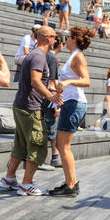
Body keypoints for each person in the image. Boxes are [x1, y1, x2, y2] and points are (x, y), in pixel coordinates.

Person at [0, 27, 63, 196]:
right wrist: (51, 97)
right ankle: (26, 184)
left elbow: (36, 81)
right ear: (48, 38)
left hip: (21, 106)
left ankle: (9, 178)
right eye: (55, 37)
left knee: (21, 145)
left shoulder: (34, 55)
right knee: (38, 144)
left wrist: (51, 90)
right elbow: (35, 81)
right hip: (30, 108)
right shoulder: (38, 56)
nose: (57, 40)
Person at [49, 26, 96, 197]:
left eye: (68, 37)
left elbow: (86, 80)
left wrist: (67, 83)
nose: (66, 40)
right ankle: (71, 182)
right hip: (70, 103)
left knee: (63, 146)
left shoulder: (78, 56)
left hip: (74, 104)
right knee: (62, 146)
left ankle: (71, 185)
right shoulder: (72, 57)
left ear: (74, 39)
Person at [44, 34, 64, 168]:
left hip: (43, 96)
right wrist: (57, 104)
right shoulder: (52, 58)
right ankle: (55, 157)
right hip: (48, 99)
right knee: (52, 126)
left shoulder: (45, 55)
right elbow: (52, 83)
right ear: (60, 44)